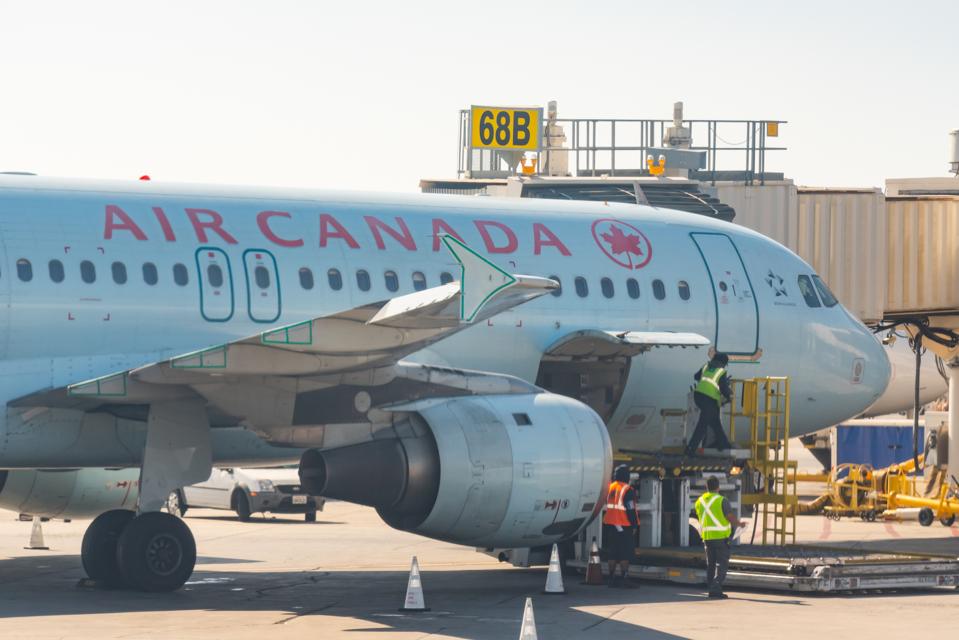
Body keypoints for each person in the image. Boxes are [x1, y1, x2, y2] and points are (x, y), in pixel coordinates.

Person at [694, 476, 745, 599]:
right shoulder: (722, 500)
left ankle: (712, 588)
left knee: (711, 564)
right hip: (720, 538)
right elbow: (729, 517)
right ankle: (716, 589)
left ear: (707, 487)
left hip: (707, 538)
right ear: (718, 487)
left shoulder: (699, 501)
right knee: (722, 565)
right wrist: (740, 524)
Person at [685, 353, 732, 455]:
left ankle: (724, 445)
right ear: (724, 363)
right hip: (709, 399)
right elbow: (723, 388)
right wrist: (729, 395)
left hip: (698, 396)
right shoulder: (721, 371)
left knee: (715, 422)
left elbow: (696, 376)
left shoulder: (706, 366)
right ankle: (690, 450)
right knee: (702, 425)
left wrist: (707, 379)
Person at [602, 464, 640, 588]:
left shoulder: (610, 487)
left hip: (610, 524)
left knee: (612, 553)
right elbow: (630, 509)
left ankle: (611, 578)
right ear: (627, 476)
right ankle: (624, 578)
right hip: (623, 525)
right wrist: (634, 525)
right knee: (625, 553)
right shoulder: (627, 490)